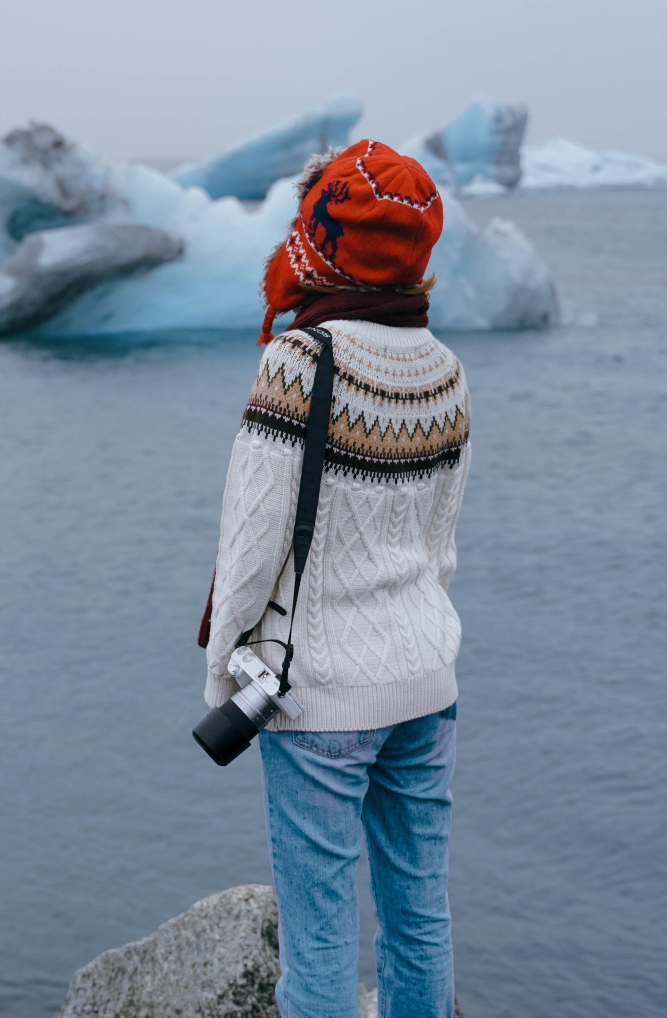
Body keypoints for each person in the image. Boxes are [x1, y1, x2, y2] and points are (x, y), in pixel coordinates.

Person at [198, 140, 470, 1018]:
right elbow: (440, 546)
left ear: (326, 237)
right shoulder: (447, 371)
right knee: (419, 915)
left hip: (319, 695)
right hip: (426, 681)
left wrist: (222, 674)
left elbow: (249, 549)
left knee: (319, 938)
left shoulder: (299, 363)